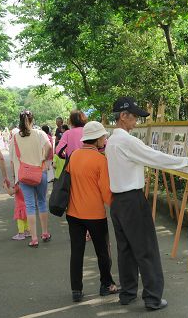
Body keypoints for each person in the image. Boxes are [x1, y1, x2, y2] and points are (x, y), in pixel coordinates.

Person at [105, 97, 188, 311]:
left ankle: (127, 293)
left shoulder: (112, 140)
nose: (137, 122)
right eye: (134, 117)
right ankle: (152, 297)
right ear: (123, 116)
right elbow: (156, 157)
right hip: (132, 200)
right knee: (146, 249)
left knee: (126, 250)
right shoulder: (125, 141)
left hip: (118, 202)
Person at [66, 121, 119, 302]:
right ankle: (106, 285)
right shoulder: (100, 160)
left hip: (73, 213)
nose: (105, 139)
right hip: (95, 214)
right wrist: (118, 208)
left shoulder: (73, 156)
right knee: (102, 252)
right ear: (97, 139)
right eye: (103, 136)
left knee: (77, 252)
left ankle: (76, 290)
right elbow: (106, 193)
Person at [9, 110, 52, 247]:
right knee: (41, 202)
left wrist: (14, 176)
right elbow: (49, 147)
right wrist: (43, 159)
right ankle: (45, 232)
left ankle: (34, 238)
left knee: (30, 205)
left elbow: (12, 159)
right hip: (40, 172)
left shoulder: (15, 137)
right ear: (32, 120)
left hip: (24, 175)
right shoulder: (40, 133)